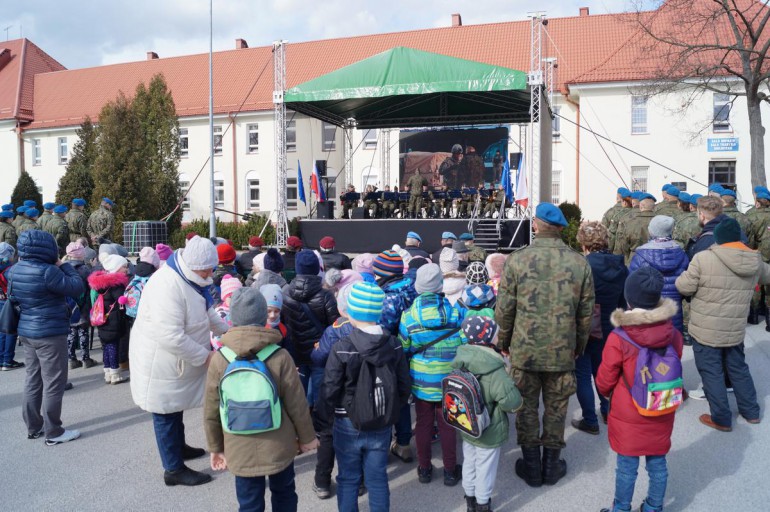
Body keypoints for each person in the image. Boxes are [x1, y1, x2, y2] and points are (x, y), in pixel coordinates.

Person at [495, 203, 594, 487]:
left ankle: (531, 467)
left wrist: (504, 342)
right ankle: (550, 466)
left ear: (536, 226)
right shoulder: (579, 262)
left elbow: (504, 309)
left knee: (526, 406)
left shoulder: (517, 260)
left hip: (524, 349)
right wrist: (579, 346)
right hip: (563, 349)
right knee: (557, 406)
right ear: (560, 228)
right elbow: (586, 313)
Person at [204, 287, 317, 512]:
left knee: (248, 503)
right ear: (263, 315)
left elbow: (211, 408)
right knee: (284, 494)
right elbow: (297, 403)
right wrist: (307, 438)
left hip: (238, 445)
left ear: (232, 318)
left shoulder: (220, 358)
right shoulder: (280, 355)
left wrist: (216, 447)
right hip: (279, 444)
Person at [129, 236, 229, 486]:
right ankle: (173, 470)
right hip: (160, 360)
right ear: (196, 265)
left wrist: (228, 333)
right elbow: (169, 335)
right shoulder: (167, 285)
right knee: (165, 411)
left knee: (175, 406)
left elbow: (206, 312)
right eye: (208, 268)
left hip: (175, 360)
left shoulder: (190, 279)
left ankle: (178, 447)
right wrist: (207, 356)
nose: (211, 272)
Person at [596, 266, 683, 512]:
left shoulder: (620, 336)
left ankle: (621, 508)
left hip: (629, 410)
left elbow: (606, 377)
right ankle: (654, 507)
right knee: (658, 463)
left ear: (629, 299)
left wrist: (604, 392)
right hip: (661, 404)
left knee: (626, 467)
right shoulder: (673, 333)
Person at [324, 281, 412, 512]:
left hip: (346, 421)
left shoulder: (342, 346)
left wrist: (325, 420)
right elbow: (404, 384)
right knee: (377, 479)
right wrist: (391, 408)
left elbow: (330, 388)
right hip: (382, 420)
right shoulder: (393, 344)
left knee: (349, 478)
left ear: (351, 311)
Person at [675, 217, 768, 432]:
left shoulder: (703, 259)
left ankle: (722, 418)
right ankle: (751, 412)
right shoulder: (755, 261)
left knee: (712, 372)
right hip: (734, 330)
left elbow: (684, 286)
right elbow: (767, 275)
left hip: (705, 329)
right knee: (738, 368)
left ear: (718, 238)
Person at [10, 230, 84, 444]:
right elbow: (76, 286)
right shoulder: (49, 272)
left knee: (32, 379)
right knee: (54, 382)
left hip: (26, 331)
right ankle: (54, 432)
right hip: (50, 333)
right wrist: (63, 264)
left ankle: (34, 427)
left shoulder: (15, 270)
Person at [399, 263, 465, 486]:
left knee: (423, 424)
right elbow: (464, 343)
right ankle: (449, 470)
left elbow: (405, 347)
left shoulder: (408, 317)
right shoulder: (456, 312)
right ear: (440, 286)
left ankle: (424, 469)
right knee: (448, 424)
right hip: (449, 378)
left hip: (421, 381)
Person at [453, 316, 522, 512]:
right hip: (489, 429)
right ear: (487, 338)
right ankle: (483, 503)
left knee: (470, 461)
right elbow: (512, 402)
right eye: (496, 333)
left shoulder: (461, 358)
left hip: (467, 425)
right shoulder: (494, 369)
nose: (499, 336)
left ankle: (469, 498)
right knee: (485, 467)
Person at [572, 222, 628, 435]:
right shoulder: (621, 266)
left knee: (583, 374)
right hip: (610, 326)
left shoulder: (582, 266)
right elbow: (623, 302)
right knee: (605, 372)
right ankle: (607, 411)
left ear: (584, 242)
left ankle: (590, 419)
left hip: (586, 326)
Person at [310, 284, 355, 500]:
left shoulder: (334, 330)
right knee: (355, 438)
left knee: (327, 435)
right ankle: (358, 480)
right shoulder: (370, 328)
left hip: (333, 390)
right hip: (356, 393)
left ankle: (322, 482)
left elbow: (318, 359)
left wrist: (317, 349)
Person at [281, 249, 339, 393]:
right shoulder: (326, 295)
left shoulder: (285, 292)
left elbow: (282, 321)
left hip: (295, 350)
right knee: (320, 392)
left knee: (298, 393)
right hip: (319, 350)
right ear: (316, 268)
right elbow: (335, 325)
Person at [629, 216, 689, 333]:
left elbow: (632, 288)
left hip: (648, 313)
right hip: (674, 312)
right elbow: (686, 285)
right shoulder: (682, 255)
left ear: (651, 231)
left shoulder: (640, 256)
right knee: (673, 347)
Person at [88, 253, 131, 384]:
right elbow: (120, 300)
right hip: (113, 320)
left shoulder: (102, 284)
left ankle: (107, 372)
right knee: (113, 346)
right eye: (124, 266)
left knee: (106, 347)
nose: (126, 269)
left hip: (103, 319)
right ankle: (115, 373)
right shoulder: (116, 284)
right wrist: (126, 298)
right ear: (117, 268)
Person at [63, 242, 96, 370]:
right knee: (83, 332)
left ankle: (71, 359)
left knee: (70, 332)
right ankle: (85, 358)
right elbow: (91, 287)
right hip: (84, 305)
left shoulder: (64, 269)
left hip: (69, 305)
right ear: (82, 255)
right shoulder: (86, 269)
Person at [0, 243, 23, 370]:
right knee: (10, 331)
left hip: (1, 300)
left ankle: (1, 359)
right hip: (9, 301)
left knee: (1, 330)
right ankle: (8, 360)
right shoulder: (9, 269)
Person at [616, 193, 657, 265]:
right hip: (655, 259)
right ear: (654, 207)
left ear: (640, 206)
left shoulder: (630, 222)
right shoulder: (660, 222)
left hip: (634, 260)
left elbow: (623, 245)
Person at [209, 275, 242, 350]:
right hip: (225, 354)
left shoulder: (241, 310)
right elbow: (215, 338)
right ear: (225, 297)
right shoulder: (220, 314)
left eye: (238, 296)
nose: (235, 299)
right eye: (230, 297)